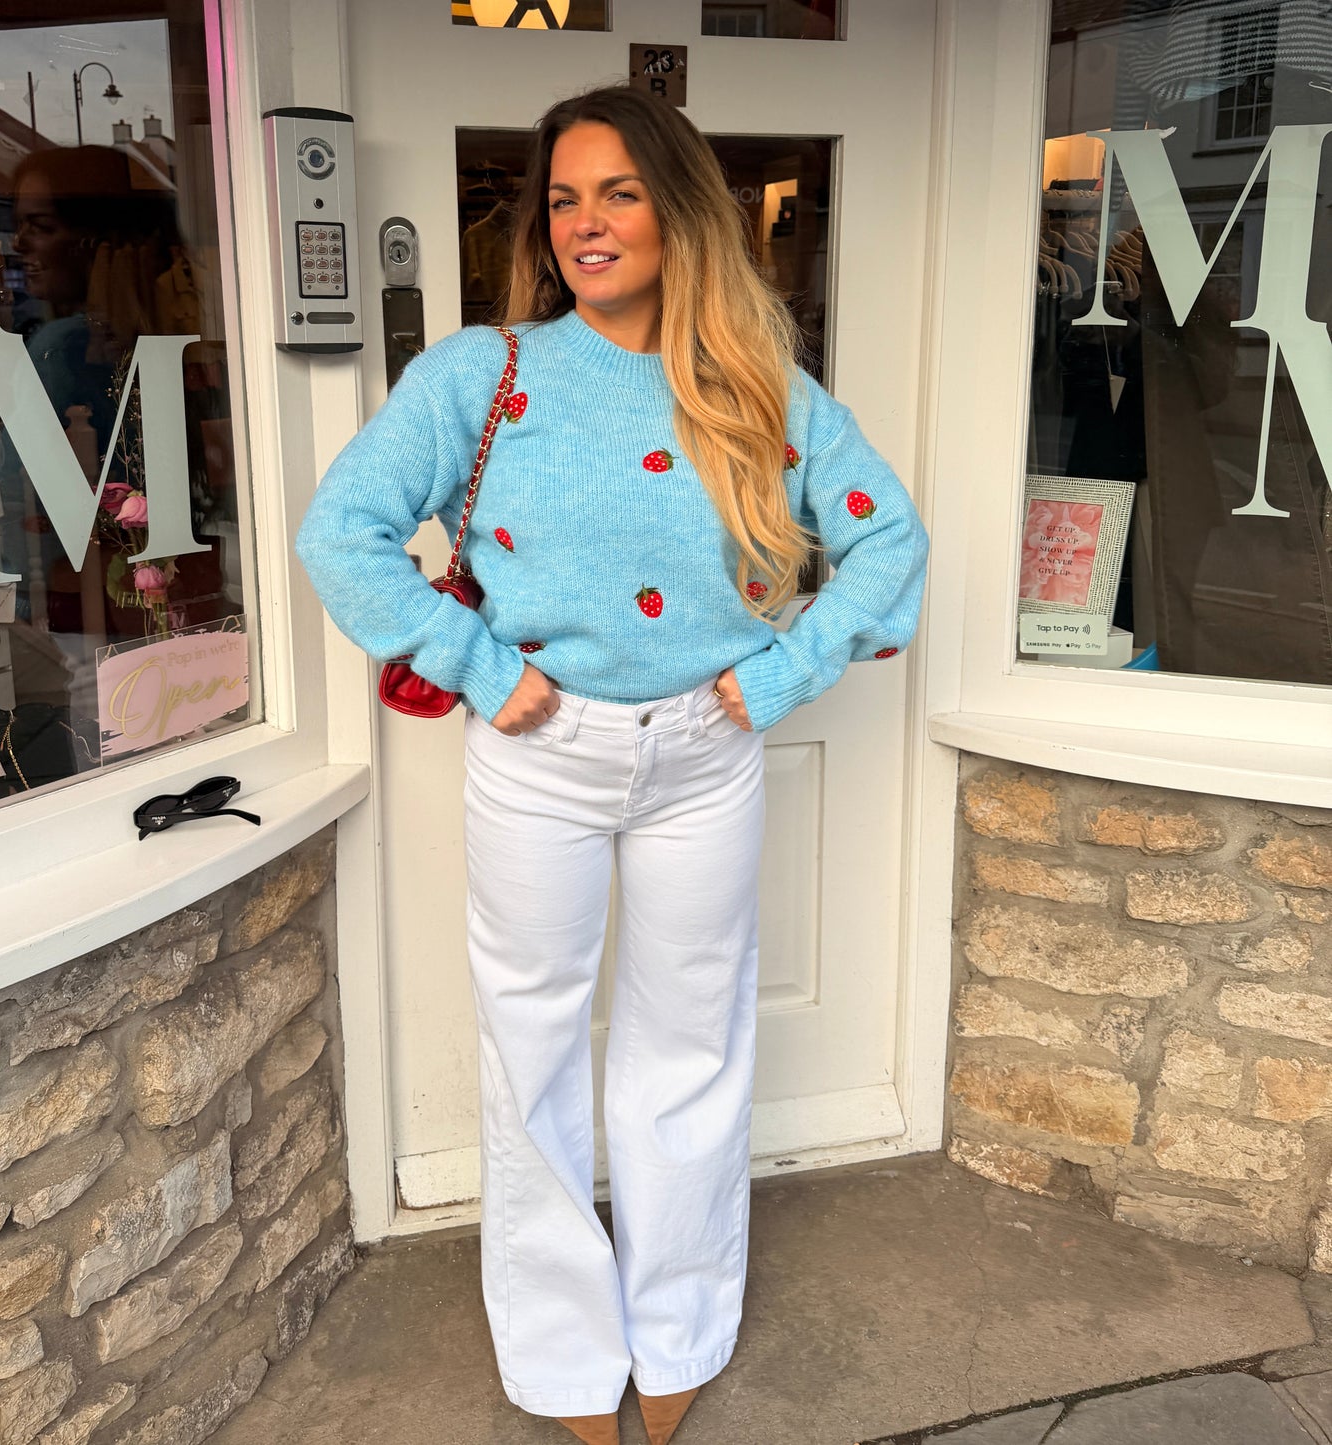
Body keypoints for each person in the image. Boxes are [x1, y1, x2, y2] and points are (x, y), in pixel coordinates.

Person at [297, 84, 929, 1445]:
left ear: (678, 211)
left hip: (705, 754)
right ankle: (562, 1350)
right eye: (564, 197)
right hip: (541, 755)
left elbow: (891, 546)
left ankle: (679, 1324)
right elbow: (339, 529)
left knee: (687, 1050)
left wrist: (771, 677)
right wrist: (476, 664)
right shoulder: (481, 375)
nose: (586, 222)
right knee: (530, 1047)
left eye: (619, 192)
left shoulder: (760, 386)